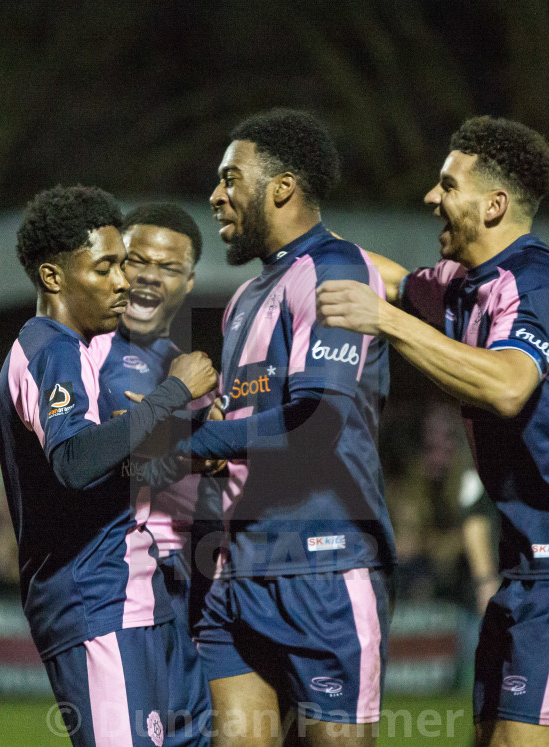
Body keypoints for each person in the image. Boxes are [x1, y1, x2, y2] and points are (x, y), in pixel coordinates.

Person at [315, 116, 549, 747]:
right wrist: (307, 237)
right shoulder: (461, 287)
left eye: (447, 185)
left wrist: (387, 325)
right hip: (529, 569)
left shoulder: (537, 279)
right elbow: (389, 280)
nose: (430, 197)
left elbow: (506, 385)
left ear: (494, 205)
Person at [164, 109, 396, 746]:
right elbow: (251, 426)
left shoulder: (336, 271)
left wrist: (187, 444)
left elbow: (315, 423)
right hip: (237, 574)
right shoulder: (245, 298)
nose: (215, 195)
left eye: (230, 178)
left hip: (322, 567)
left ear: (282, 188)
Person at [0, 185, 217, 747]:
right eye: (106, 268)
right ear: (53, 278)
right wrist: (172, 395)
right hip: (93, 599)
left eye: (124, 264)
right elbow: (74, 460)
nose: (124, 281)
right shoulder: (52, 349)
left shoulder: (77, 349)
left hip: (133, 596)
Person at [90, 202, 220, 736]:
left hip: (195, 578)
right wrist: (198, 442)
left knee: (194, 732)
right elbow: (105, 462)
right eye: (136, 260)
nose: (147, 275)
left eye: (167, 268)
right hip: (129, 580)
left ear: (188, 283)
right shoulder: (86, 354)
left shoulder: (186, 367)